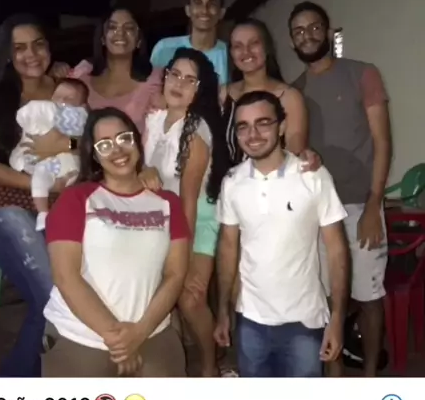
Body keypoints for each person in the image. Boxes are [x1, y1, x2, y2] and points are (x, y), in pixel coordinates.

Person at [0, 14, 72, 377]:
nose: (31, 54)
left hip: (52, 205)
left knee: (63, 296)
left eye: (38, 44)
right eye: (19, 48)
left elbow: (85, 137)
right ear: (7, 55)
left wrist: (65, 148)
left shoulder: (65, 89)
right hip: (2, 204)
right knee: (53, 296)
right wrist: (40, 183)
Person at [42, 107, 190, 377]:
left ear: (137, 141)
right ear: (94, 154)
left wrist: (139, 333)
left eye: (124, 138)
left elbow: (175, 274)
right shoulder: (75, 199)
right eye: (105, 144)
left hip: (151, 332)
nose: (117, 149)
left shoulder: (168, 203)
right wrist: (117, 339)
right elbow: (65, 276)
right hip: (80, 335)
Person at [214, 90, 349, 378]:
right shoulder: (232, 182)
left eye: (263, 123)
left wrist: (337, 318)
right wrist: (223, 310)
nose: (253, 134)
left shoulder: (313, 176)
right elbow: (227, 248)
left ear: (282, 126)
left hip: (304, 321)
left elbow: (337, 250)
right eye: (243, 127)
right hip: (250, 319)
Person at [289, 1, 392, 377]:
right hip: (316, 212)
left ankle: (369, 378)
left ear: (328, 32)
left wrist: (374, 204)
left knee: (368, 296)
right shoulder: (294, 91)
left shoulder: (362, 74)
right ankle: (334, 381)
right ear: (292, 41)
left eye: (314, 27)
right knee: (326, 300)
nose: (308, 36)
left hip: (360, 205)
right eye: (299, 31)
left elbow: (382, 141)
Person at [141, 48, 231, 377]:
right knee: (168, 296)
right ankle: (176, 363)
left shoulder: (195, 129)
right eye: (174, 74)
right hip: (159, 218)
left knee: (191, 297)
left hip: (197, 218)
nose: (179, 83)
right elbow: (140, 168)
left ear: (200, 89)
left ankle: (210, 366)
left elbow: (189, 198)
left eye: (190, 79)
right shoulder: (155, 119)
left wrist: (183, 251)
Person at [223, 18, 308, 162]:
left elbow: (294, 155)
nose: (246, 51)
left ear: (267, 47)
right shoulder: (223, 94)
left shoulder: (289, 97)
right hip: (228, 176)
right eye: (238, 46)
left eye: (254, 43)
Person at [67, 8, 163, 132]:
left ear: (139, 40)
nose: (120, 33)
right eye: (112, 27)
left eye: (129, 28)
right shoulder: (81, 78)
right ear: (102, 38)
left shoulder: (156, 80)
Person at [10, 78, 88, 230]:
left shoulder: (79, 117)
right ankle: (43, 213)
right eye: (58, 96)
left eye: (69, 98)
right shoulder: (42, 111)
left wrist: (65, 144)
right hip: (38, 170)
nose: (62, 100)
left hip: (67, 164)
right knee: (40, 177)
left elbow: (84, 143)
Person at [151, 0, 229, 85]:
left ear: (221, 12)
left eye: (212, 4)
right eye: (198, 3)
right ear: (188, 10)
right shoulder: (164, 48)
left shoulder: (229, 55)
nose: (204, 10)